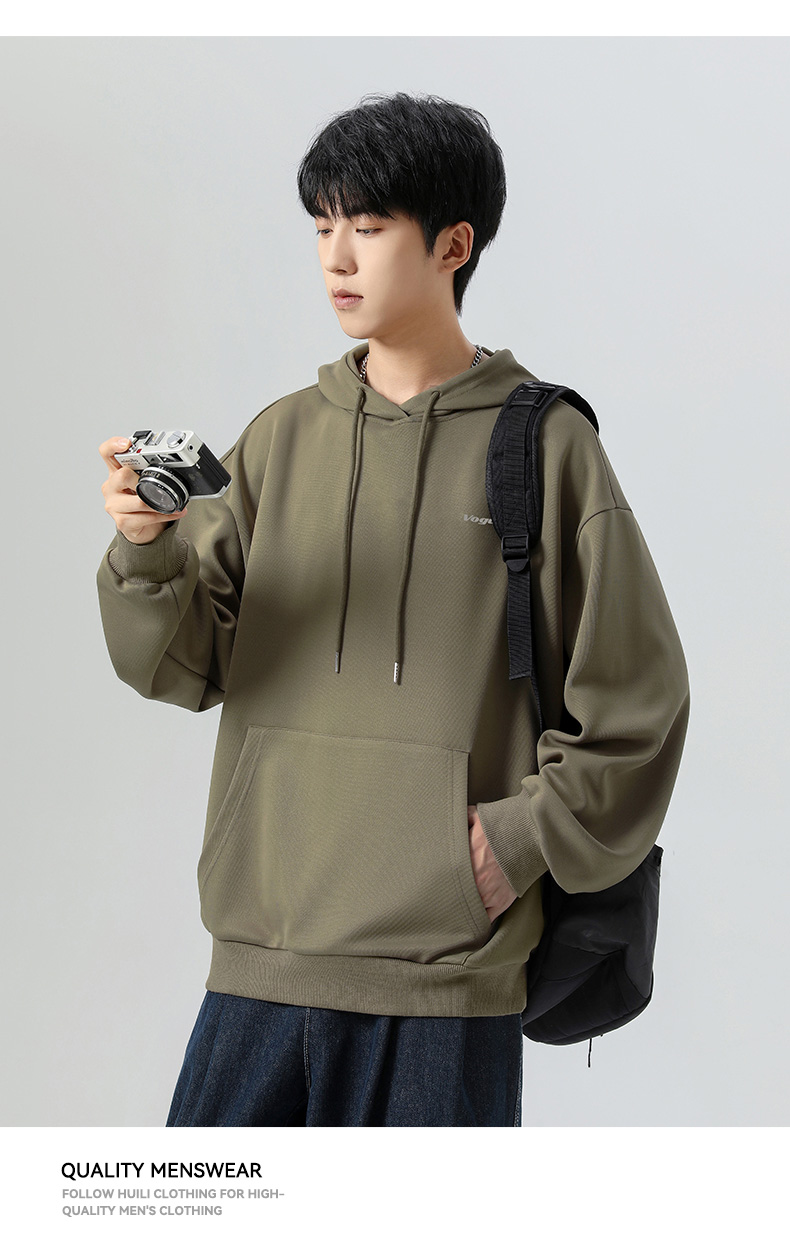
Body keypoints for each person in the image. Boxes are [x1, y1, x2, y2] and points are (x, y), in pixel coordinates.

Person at [97, 92, 690, 1127]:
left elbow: (639, 706)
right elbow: (180, 666)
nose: (336, 258)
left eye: (368, 227)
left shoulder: (545, 447)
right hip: (260, 961)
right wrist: (146, 550)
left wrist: (516, 842)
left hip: (445, 979)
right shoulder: (280, 439)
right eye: (321, 226)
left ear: (453, 244)